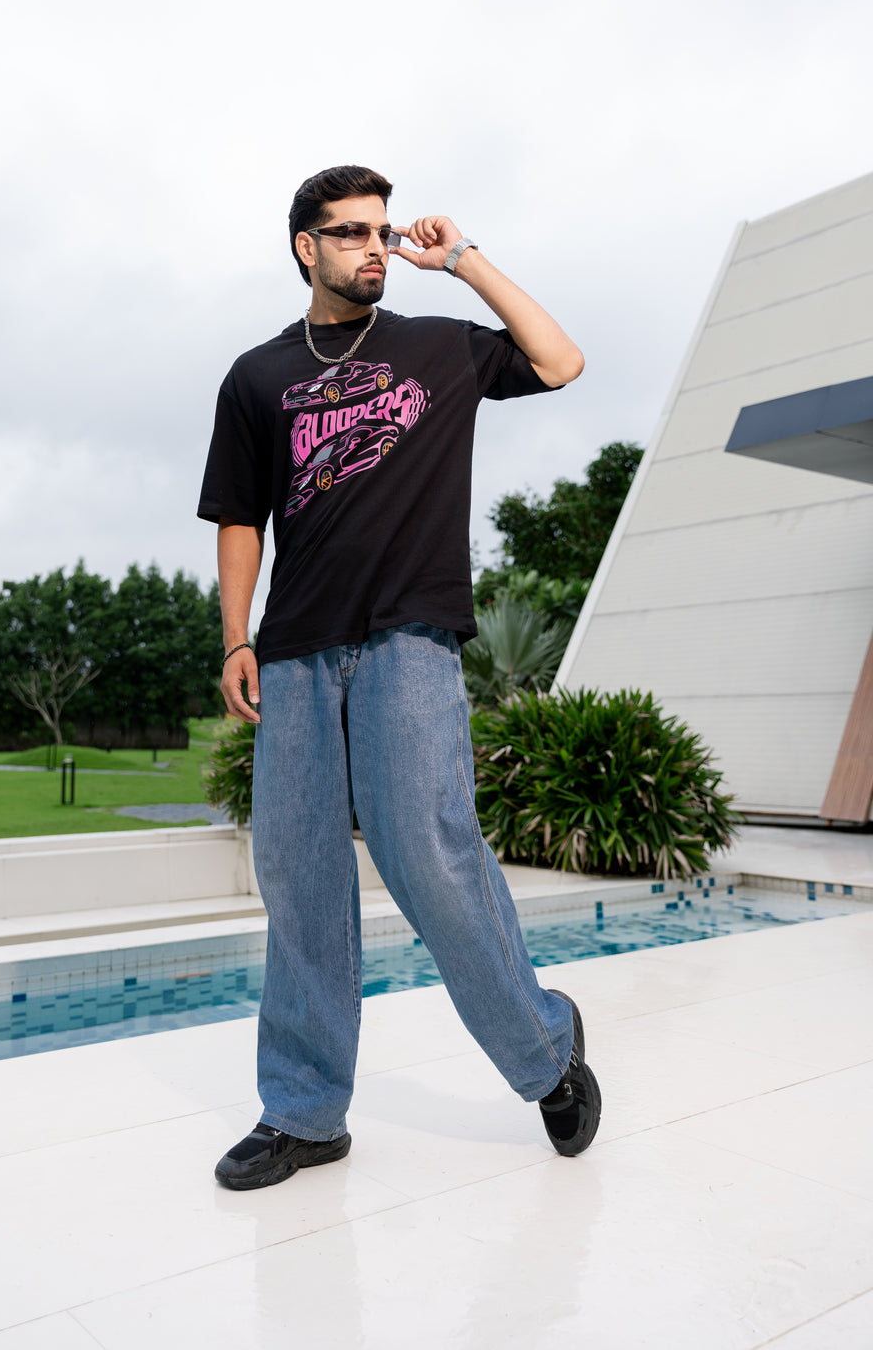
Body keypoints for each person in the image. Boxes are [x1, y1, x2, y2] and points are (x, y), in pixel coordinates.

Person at [198, 164, 600, 1190]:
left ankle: (546, 1049)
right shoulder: (256, 376)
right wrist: (236, 635)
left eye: (384, 232)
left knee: (429, 855)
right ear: (306, 247)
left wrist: (459, 259)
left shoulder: (439, 345)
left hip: (409, 638)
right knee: (299, 877)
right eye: (352, 234)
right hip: (294, 648)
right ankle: (303, 1111)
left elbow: (560, 360)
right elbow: (240, 517)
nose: (375, 248)